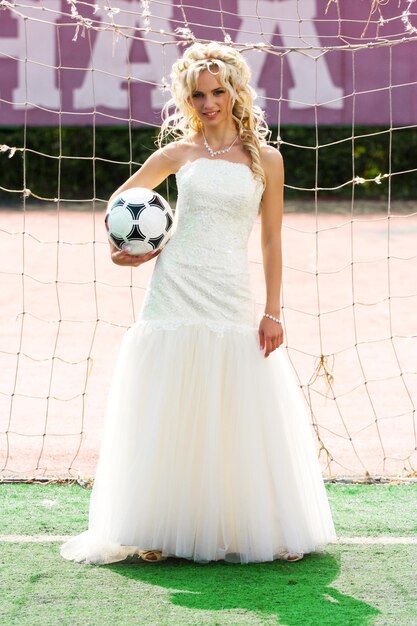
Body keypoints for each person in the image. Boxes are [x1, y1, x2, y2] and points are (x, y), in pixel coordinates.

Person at [60, 41, 337, 566]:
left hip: (229, 291)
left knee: (232, 405)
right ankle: (159, 526)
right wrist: (133, 251)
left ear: (236, 92)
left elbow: (272, 240)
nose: (209, 102)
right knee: (168, 402)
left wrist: (273, 310)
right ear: (187, 99)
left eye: (218, 91)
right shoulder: (176, 155)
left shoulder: (267, 159)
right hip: (174, 290)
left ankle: (242, 524)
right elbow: (122, 207)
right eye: (198, 94)